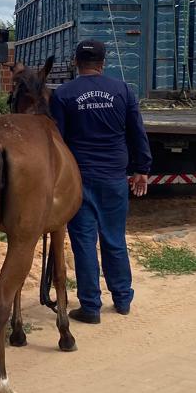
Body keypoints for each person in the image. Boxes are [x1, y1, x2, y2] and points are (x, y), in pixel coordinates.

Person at [50, 39, 152, 324]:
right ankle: (122, 299)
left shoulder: (63, 94)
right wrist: (142, 168)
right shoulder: (122, 90)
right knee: (114, 238)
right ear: (103, 62)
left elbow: (57, 141)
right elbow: (136, 132)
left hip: (79, 180)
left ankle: (91, 307)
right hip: (115, 178)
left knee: (83, 242)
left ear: (75, 63)